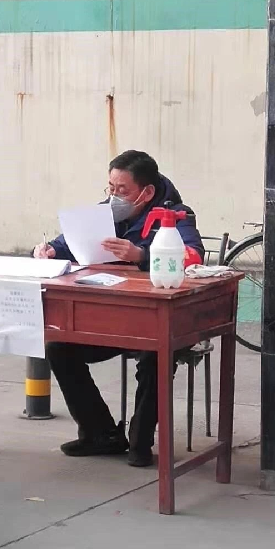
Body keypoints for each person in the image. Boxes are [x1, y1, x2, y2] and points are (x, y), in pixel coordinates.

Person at [33, 150, 204, 467]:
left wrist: (141, 255)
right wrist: (49, 250)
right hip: (112, 317)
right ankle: (100, 434)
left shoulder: (176, 214)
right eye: (110, 188)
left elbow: (193, 256)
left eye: (122, 190)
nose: (114, 196)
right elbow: (66, 243)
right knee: (59, 347)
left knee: (155, 353)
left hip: (160, 318)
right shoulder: (103, 214)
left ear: (146, 192)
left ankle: (141, 440)